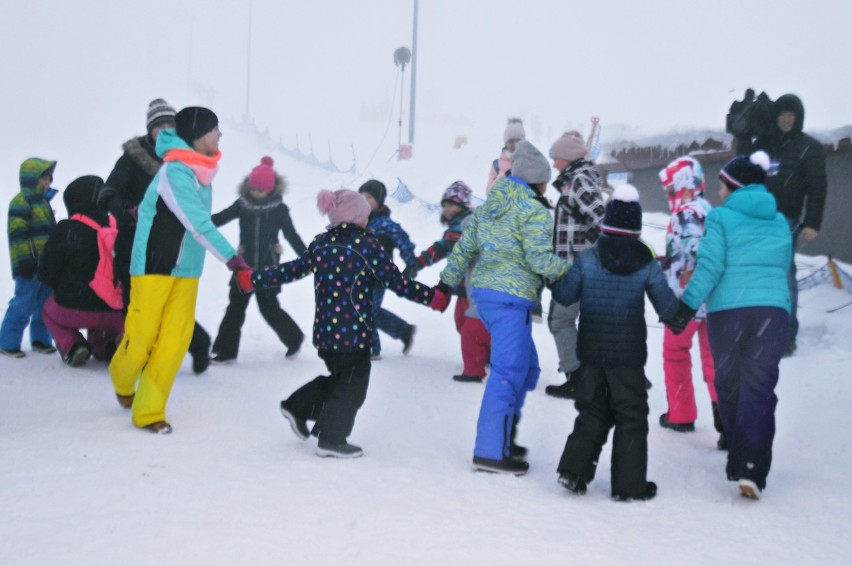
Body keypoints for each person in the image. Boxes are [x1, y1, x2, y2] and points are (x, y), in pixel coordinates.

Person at [236, 189, 441, 458]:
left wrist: (253, 278)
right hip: (353, 335)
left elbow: (292, 270)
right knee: (353, 387)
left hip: (326, 333)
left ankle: (298, 407)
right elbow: (396, 282)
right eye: (365, 216)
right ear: (357, 218)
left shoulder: (321, 244)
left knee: (341, 380)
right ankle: (332, 439)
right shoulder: (367, 246)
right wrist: (432, 297)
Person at [109, 106, 247, 434]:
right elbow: (197, 223)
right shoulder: (175, 172)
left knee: (174, 340)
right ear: (198, 135)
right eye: (215, 129)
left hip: (186, 270)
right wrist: (233, 259)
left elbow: (196, 229)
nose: (220, 135)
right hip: (154, 266)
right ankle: (122, 378)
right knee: (142, 337)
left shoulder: (202, 173)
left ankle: (148, 410)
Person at [439, 140, 570, 475]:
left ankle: (504, 436)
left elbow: (464, 249)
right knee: (507, 374)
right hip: (510, 300)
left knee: (525, 370)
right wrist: (570, 271)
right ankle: (490, 452)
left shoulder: (487, 208)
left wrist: (446, 282)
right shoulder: (535, 212)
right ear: (537, 182)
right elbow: (539, 259)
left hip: (485, 297)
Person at [669, 151, 791, 500]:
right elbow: (782, 265)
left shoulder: (721, 218)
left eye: (722, 186)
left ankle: (741, 461)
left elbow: (709, 267)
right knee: (760, 388)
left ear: (734, 186)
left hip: (730, 313)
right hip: (773, 313)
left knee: (729, 384)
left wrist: (685, 309)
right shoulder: (780, 221)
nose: (719, 193)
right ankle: (752, 467)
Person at [551, 184, 678, 501]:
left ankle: (573, 472)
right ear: (636, 230)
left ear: (605, 224)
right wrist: (685, 313)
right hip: (629, 357)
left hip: (591, 353)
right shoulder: (646, 263)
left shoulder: (588, 259)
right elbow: (667, 307)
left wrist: (556, 275)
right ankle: (629, 486)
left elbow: (565, 295)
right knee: (631, 417)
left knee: (592, 411)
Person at [98, 98, 213, 374]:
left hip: (168, 246)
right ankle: (137, 359)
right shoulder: (131, 159)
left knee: (167, 306)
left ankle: (198, 342)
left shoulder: (186, 162)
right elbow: (108, 191)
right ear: (149, 129)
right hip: (133, 242)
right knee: (136, 306)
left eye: (170, 125)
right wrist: (121, 208)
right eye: (158, 125)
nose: (164, 130)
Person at [737, 94, 827, 357]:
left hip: (786, 220)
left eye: (791, 115)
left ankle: (786, 336)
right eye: (782, 115)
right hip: (758, 219)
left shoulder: (808, 147)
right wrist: (743, 135)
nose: (786, 120)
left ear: (798, 118)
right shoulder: (764, 144)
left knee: (784, 277)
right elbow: (742, 168)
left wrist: (812, 222)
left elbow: (818, 188)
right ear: (775, 117)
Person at [210, 156, 307, 364]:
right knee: (235, 307)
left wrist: (308, 256)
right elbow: (221, 217)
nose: (255, 194)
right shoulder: (242, 205)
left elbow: (291, 235)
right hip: (243, 267)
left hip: (268, 269)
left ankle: (294, 338)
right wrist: (201, 224)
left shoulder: (279, 210)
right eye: (253, 189)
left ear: (270, 190)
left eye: (260, 191)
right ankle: (226, 351)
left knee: (269, 309)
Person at [655, 157, 724, 447]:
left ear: (682, 184)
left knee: (676, 354)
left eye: (671, 187)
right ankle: (726, 421)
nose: (668, 193)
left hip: (685, 302)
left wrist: (673, 267)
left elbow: (692, 254)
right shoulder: (709, 210)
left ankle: (681, 414)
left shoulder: (685, 214)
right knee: (714, 360)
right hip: (713, 300)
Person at [404, 181, 491, 383]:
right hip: (461, 286)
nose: (447, 208)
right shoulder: (454, 228)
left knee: (470, 323)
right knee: (463, 323)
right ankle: (485, 354)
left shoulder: (467, 224)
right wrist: (417, 264)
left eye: (451, 204)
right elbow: (440, 248)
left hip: (471, 285)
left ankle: (481, 359)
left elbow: (449, 251)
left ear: (462, 205)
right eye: (444, 204)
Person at [542, 131, 606, 400]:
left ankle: (578, 378)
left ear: (567, 158)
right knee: (571, 321)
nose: (554, 163)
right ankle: (590, 376)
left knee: (560, 320)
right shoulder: (575, 180)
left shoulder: (579, 180)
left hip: (576, 269)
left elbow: (601, 220)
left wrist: (584, 255)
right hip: (574, 267)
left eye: (556, 158)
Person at [37, 176, 125, 367]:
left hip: (74, 308)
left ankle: (73, 346)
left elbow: (46, 272)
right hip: (116, 311)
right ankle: (110, 347)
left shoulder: (67, 229)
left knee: (47, 310)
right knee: (102, 330)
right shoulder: (117, 225)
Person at [0, 158, 58, 358]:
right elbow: (17, 234)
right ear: (31, 179)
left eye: (49, 179)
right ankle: (7, 342)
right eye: (44, 178)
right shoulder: (21, 202)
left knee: (45, 303)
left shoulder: (44, 203)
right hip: (28, 264)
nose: (47, 183)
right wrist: (24, 260)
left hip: (46, 265)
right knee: (24, 302)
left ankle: (41, 340)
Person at [357, 180, 417, 359]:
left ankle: (371, 349)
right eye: (361, 196)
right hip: (358, 275)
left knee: (365, 310)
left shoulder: (385, 224)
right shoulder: (356, 222)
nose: (364, 200)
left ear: (379, 201)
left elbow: (403, 241)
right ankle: (403, 330)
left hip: (378, 277)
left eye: (369, 197)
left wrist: (411, 263)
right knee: (368, 310)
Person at [485, 117, 525, 192]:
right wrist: (500, 179)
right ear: (506, 143)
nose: (514, 144)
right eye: (511, 141)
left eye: (518, 141)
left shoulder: (529, 163)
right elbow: (488, 193)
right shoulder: (497, 165)